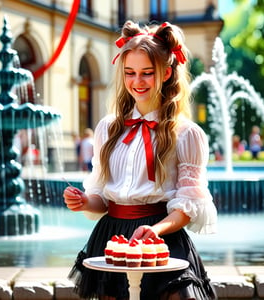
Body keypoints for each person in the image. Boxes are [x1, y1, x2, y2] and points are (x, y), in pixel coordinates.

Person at [63, 20, 217, 300]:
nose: (137, 82)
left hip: (161, 240)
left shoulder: (186, 134)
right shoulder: (108, 129)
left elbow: (188, 205)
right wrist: (85, 201)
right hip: (111, 239)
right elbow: (102, 200)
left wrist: (155, 230)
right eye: (129, 73)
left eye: (147, 73)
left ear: (167, 72)